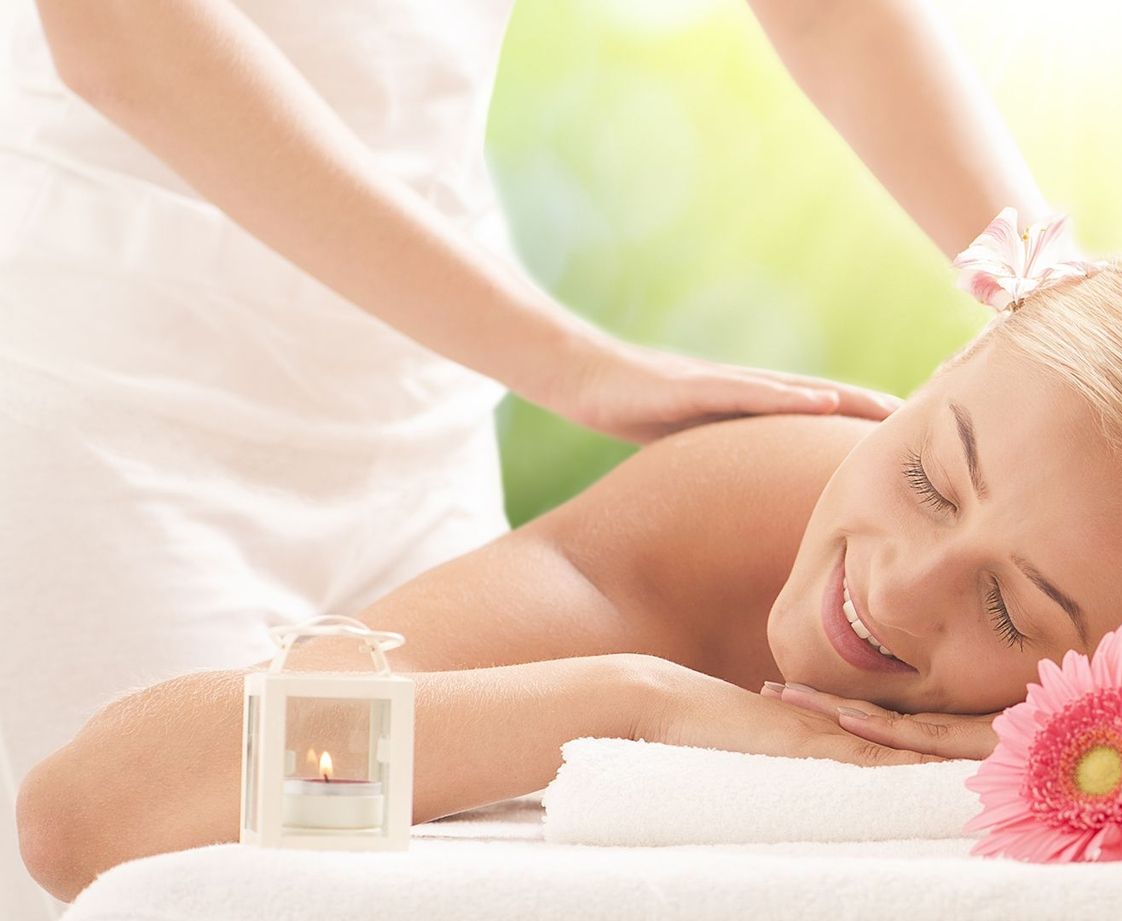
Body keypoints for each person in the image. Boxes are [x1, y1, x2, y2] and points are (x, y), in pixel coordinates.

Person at [0, 2, 1062, 915]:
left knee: (373, 866)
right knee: (166, 869)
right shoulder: (763, 505)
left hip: (418, 406)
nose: (914, 579)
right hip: (111, 395)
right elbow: (127, 41)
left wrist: (1060, 290)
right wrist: (576, 369)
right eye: (930, 475)